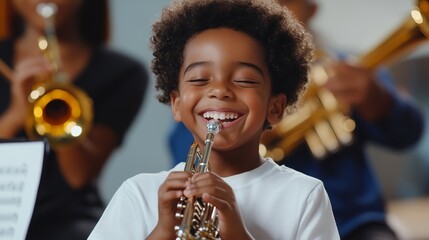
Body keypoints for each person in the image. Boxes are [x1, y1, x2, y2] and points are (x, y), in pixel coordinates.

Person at [167, 0, 425, 239]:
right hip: (250, 222)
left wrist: (376, 99)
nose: (273, 8)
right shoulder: (222, 86)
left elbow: (409, 133)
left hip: (352, 222)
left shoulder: (345, 66)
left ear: (311, 10)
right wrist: (241, 132)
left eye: (287, 0)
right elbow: (183, 146)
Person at [88, 0, 340, 239]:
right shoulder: (140, 192)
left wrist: (238, 235)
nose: (220, 91)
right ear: (176, 104)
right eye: (199, 79)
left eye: (244, 80)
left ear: (275, 107)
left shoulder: (304, 195)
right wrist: (163, 232)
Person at [0, 0, 148, 239]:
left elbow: (78, 177)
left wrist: (58, 102)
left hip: (71, 224)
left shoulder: (124, 73)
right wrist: (17, 114)